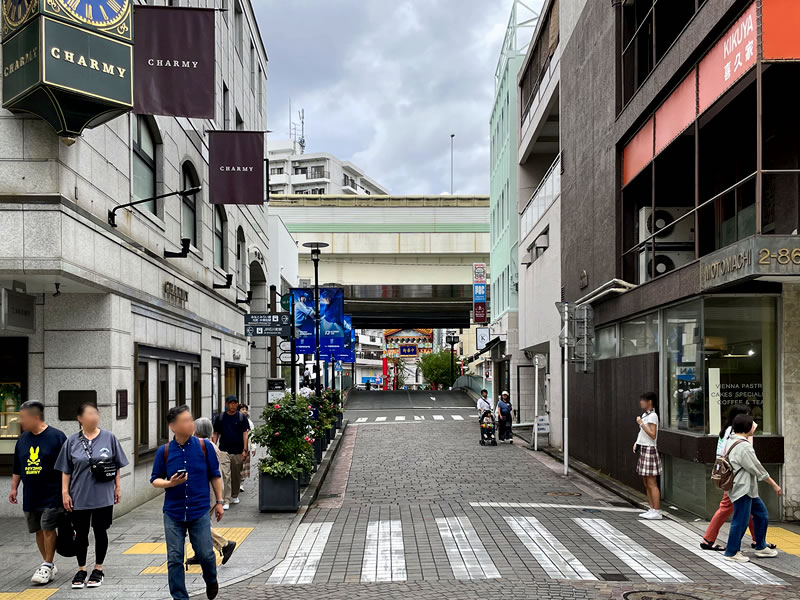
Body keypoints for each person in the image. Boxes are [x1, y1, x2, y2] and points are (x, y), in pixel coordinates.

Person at [151, 405, 223, 600]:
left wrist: (219, 501)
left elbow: (215, 475)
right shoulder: (164, 451)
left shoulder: (204, 446)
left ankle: (211, 579)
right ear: (173, 426)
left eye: (191, 420)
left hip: (199, 510)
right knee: (174, 558)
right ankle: (180, 597)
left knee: (206, 555)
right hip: (173, 513)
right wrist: (170, 482)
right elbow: (155, 479)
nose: (191, 424)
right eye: (185, 421)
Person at [56, 402, 128, 589]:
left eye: (96, 413)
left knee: (100, 531)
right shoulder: (71, 441)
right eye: (90, 413)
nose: (94, 416)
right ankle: (81, 569)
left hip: (103, 495)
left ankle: (98, 568)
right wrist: (65, 493)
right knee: (80, 533)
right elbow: (66, 470)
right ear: (80, 418)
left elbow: (117, 464)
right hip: (79, 495)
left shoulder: (109, 438)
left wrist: (118, 487)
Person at [9, 400, 67, 585]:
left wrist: (67, 492)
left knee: (48, 527)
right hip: (31, 494)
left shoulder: (57, 437)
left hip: (52, 493)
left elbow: (67, 467)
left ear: (36, 417)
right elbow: (18, 466)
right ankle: (48, 563)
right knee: (38, 530)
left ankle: (47, 564)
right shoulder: (23, 439)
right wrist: (13, 488)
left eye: (24, 418)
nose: (21, 422)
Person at [700, 405, 762, 552]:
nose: (750, 420)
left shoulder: (727, 430)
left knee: (750, 508)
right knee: (727, 508)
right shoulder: (736, 434)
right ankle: (708, 539)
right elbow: (745, 456)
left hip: (731, 475)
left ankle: (758, 540)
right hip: (736, 478)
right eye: (747, 416)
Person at [724, 414, 782, 563]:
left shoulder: (731, 440)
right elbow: (758, 469)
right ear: (746, 427)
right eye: (752, 425)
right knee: (741, 520)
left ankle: (761, 546)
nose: (755, 427)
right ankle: (731, 552)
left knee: (761, 514)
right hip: (743, 489)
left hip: (746, 488)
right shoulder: (743, 446)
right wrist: (775, 485)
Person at [185, 418, 236, 567]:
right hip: (209, 493)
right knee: (202, 524)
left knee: (198, 524)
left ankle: (225, 544)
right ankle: (199, 554)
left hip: (206, 493)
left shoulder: (204, 447)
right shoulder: (209, 446)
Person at [212, 396, 250, 510]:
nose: (232, 405)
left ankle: (235, 494)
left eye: (234, 403)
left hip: (238, 451)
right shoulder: (220, 417)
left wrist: (245, 450)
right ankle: (226, 499)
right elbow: (216, 433)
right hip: (224, 450)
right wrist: (213, 447)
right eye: (230, 403)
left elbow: (245, 434)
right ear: (226, 404)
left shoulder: (241, 417)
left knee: (236, 475)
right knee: (225, 475)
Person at [633, 391, 662, 520]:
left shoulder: (653, 416)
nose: (641, 402)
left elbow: (652, 434)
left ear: (649, 402)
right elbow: (643, 434)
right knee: (646, 481)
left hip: (650, 450)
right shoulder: (646, 415)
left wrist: (641, 423)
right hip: (644, 448)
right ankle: (651, 508)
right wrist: (637, 443)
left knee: (652, 482)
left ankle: (656, 510)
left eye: (643, 400)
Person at [238, 405, 255, 491]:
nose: (244, 411)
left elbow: (252, 436)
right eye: (242, 409)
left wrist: (253, 447)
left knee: (244, 467)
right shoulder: (235, 420)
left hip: (246, 447)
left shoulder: (249, 422)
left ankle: (241, 484)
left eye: (245, 409)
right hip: (236, 447)